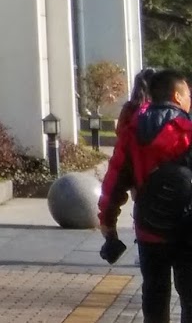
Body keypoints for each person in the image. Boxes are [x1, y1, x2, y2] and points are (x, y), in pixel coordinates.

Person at [122, 69, 192, 323]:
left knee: (154, 292)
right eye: (188, 94)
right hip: (187, 227)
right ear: (177, 96)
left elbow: (116, 176)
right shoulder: (188, 129)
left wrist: (107, 222)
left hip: (150, 225)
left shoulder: (133, 130)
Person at [99, 66, 156, 241]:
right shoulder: (163, 111)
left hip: (133, 167)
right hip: (157, 171)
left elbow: (120, 133)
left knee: (140, 204)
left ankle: (142, 236)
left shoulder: (130, 109)